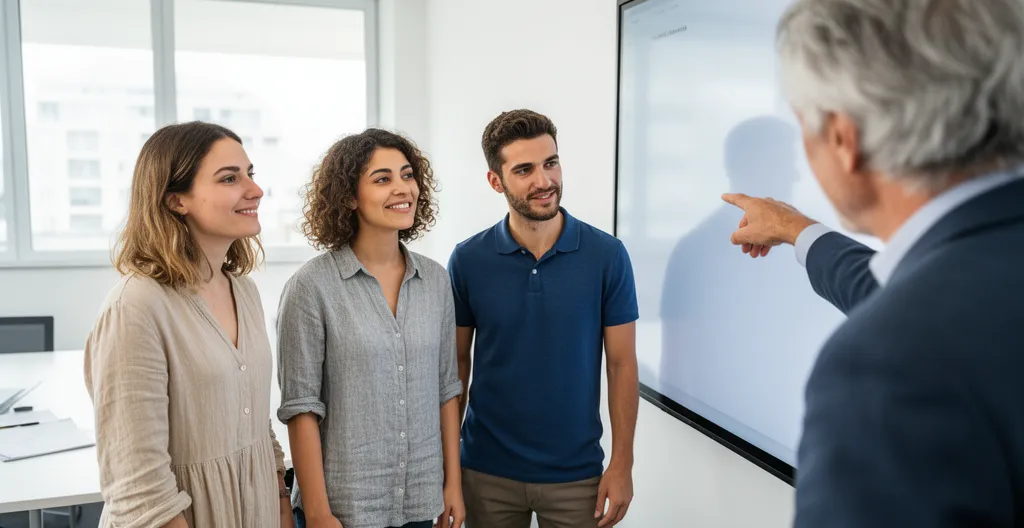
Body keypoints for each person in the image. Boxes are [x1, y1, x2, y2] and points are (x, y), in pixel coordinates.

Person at [721, 0, 1024, 525]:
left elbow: (921, 319)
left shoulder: (885, 366)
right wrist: (797, 228)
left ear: (843, 139)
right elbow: (922, 297)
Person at [84, 121, 291, 527]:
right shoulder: (136, 306)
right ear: (177, 200)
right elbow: (138, 485)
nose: (254, 189)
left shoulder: (243, 291)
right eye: (230, 178)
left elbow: (256, 423)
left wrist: (280, 500)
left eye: (251, 174)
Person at [448, 109, 639, 528]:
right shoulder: (468, 260)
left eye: (550, 163)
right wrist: (447, 471)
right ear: (495, 181)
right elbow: (456, 366)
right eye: (525, 169)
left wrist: (622, 464)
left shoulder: (607, 256)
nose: (544, 181)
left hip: (577, 476)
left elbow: (622, 363)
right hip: (484, 471)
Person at [276, 129, 464, 528]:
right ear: (348, 196)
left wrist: (453, 486)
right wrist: (318, 513)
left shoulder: (435, 280)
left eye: (408, 175)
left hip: (422, 501)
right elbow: (301, 408)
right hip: (345, 509)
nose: (403, 188)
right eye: (383, 179)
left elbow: (446, 388)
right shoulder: (311, 287)